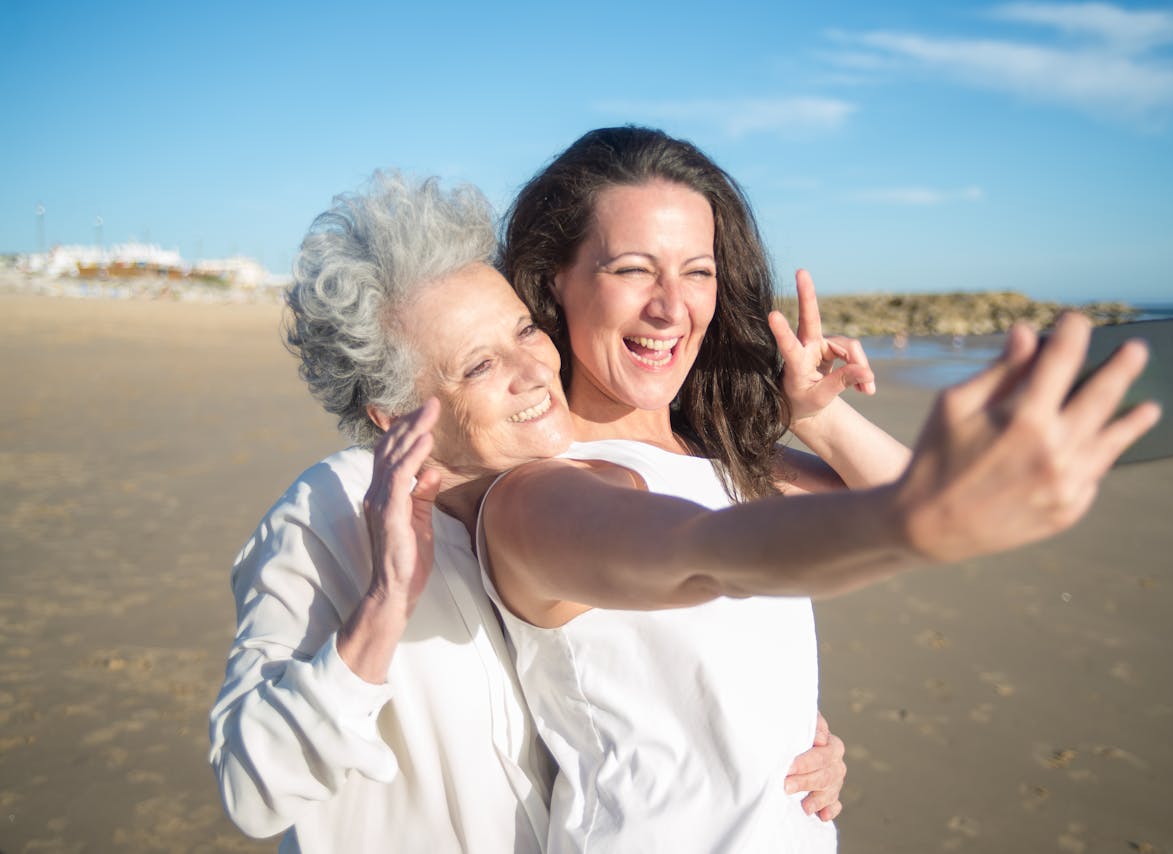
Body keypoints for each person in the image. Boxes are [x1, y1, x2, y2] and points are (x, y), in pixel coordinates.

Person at [472, 126, 1160, 852]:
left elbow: (900, 500)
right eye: (634, 270)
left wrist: (822, 416)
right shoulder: (544, 492)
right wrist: (916, 520)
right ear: (555, 276)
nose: (672, 307)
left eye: (697, 272)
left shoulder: (737, 462)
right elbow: (701, 554)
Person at [208, 173, 848, 853]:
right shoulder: (326, 512)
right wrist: (385, 605)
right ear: (395, 415)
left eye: (524, 332)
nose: (533, 370)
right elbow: (253, 791)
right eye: (480, 366)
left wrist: (782, 739)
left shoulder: (551, 489)